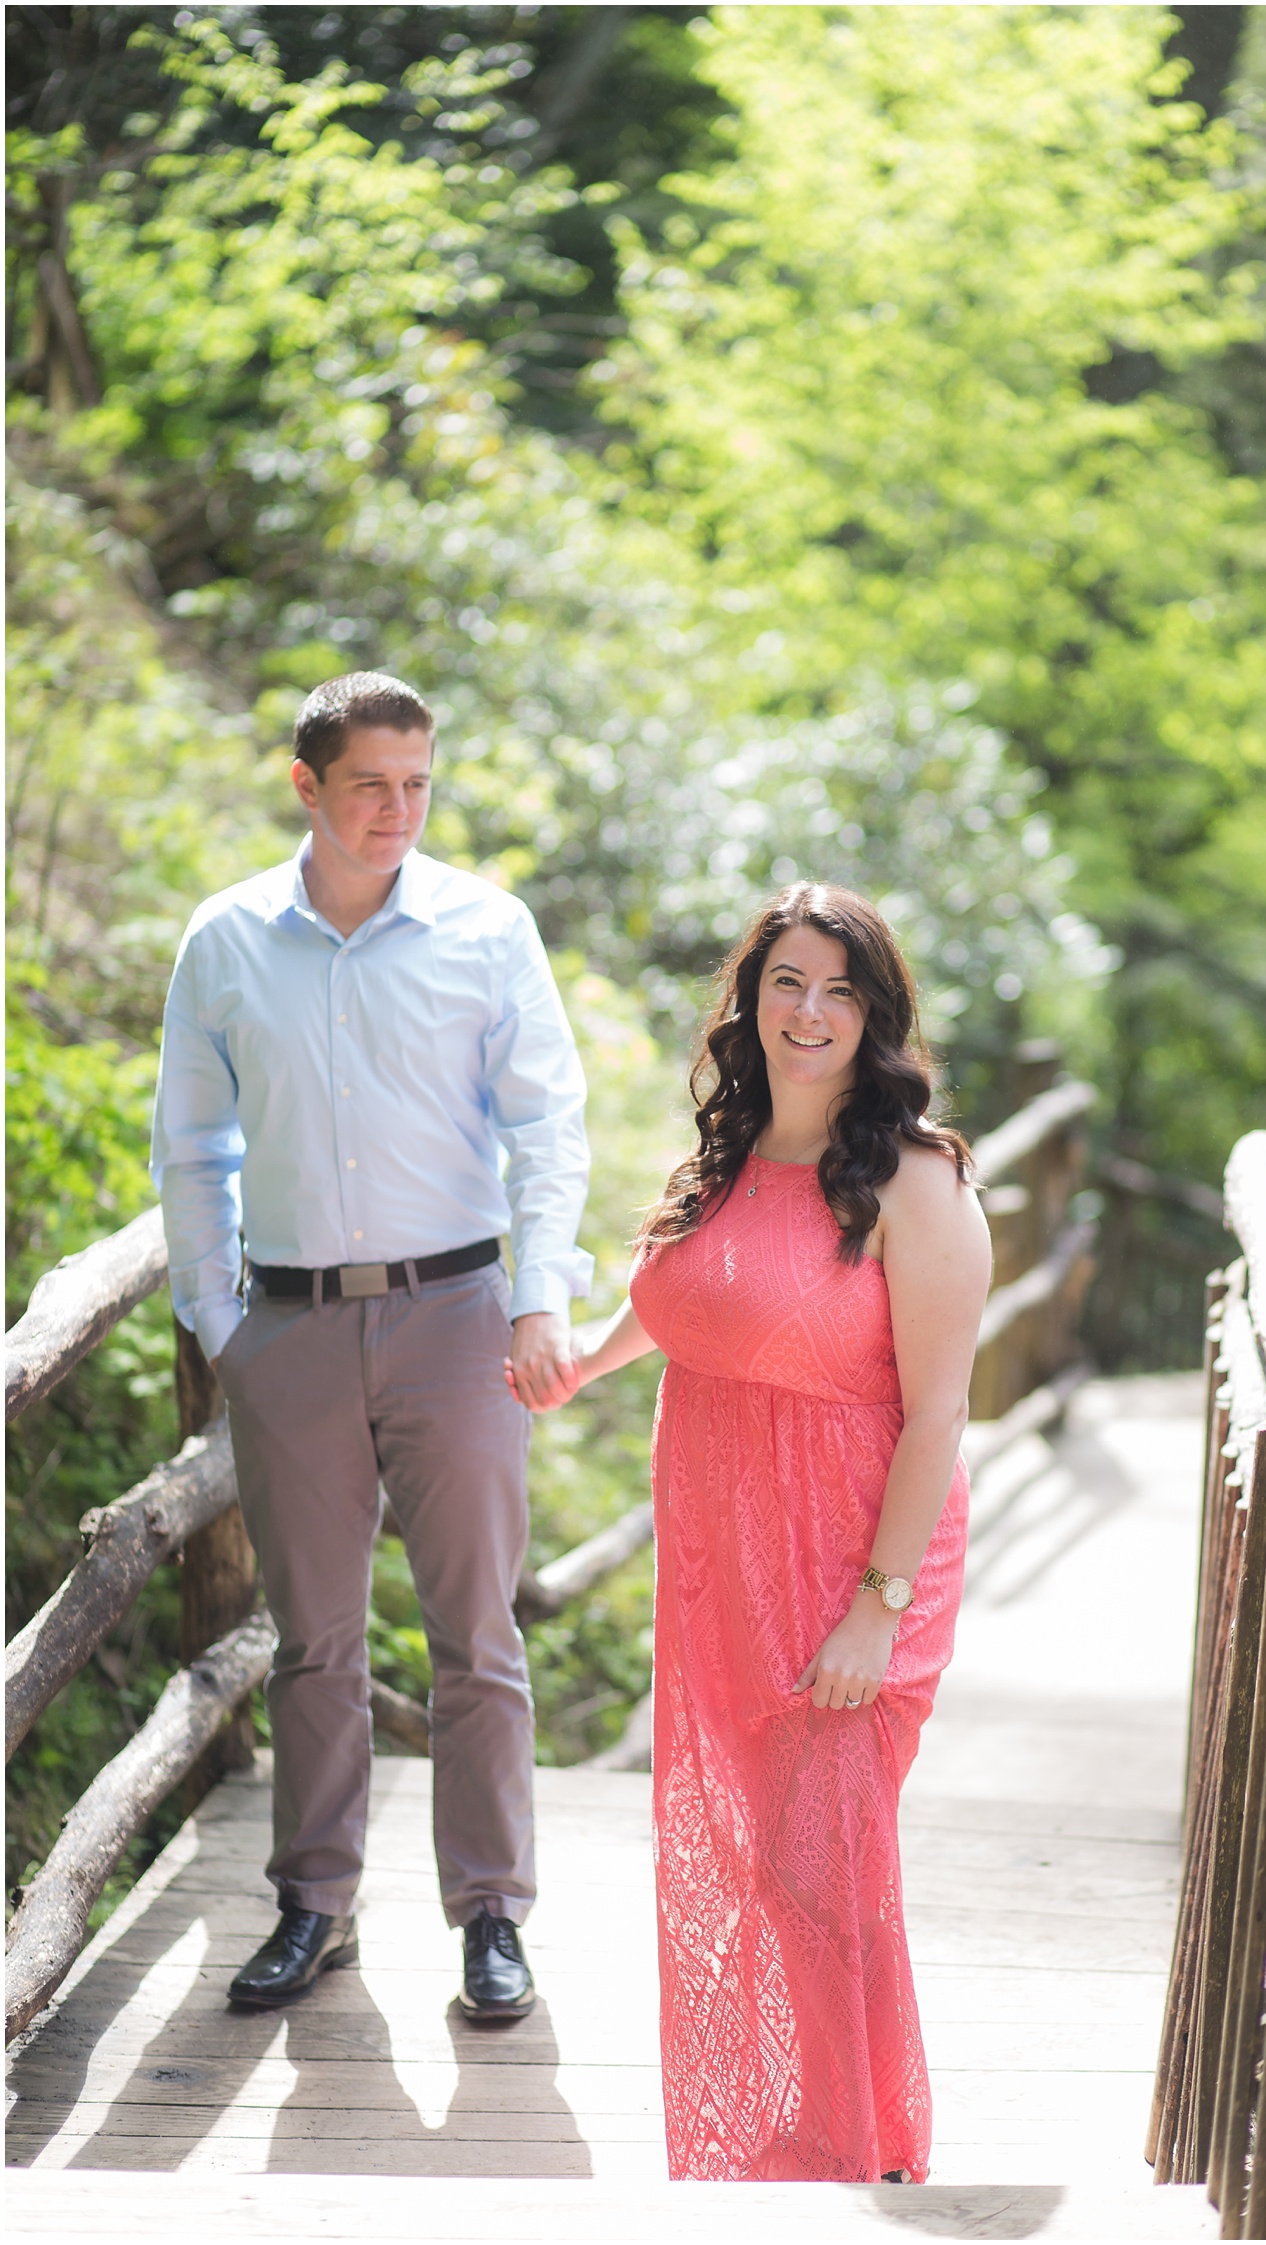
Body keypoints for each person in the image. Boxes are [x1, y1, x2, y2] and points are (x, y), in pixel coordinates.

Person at [511, 882, 991, 2182]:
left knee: (818, 1860)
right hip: (722, 1558)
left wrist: (875, 1603)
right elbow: (685, 1299)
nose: (811, 1009)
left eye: (842, 988)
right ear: (751, 996)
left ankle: (864, 2156)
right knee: (769, 1862)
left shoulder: (917, 1181)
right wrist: (577, 1365)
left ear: (877, 1016)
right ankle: (811, 2133)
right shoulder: (721, 1159)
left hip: (851, 1551)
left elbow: (941, 1410)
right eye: (789, 980)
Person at [150, 672, 591, 2019]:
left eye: (417, 783)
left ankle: (491, 1918)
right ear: (307, 786)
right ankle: (314, 1904)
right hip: (287, 1325)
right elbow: (192, 1147)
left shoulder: (484, 927)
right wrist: (224, 1323)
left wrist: (539, 1296)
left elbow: (548, 1127)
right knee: (314, 1643)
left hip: (457, 1315)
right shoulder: (226, 941)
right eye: (369, 785)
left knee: (476, 1632)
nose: (398, 809)